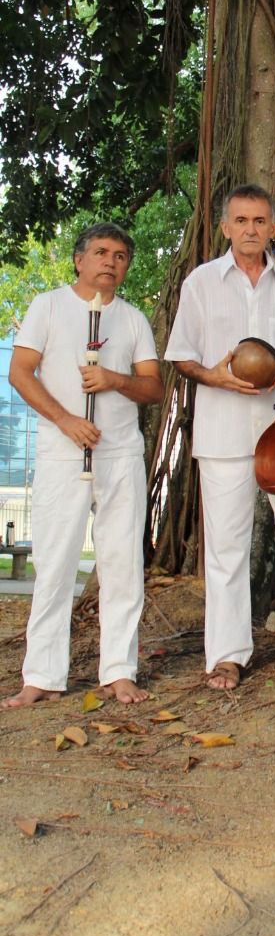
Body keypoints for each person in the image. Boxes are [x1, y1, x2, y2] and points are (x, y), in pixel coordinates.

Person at [165, 184, 275, 688]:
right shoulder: (201, 282)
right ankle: (228, 653)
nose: (251, 230)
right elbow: (181, 354)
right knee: (226, 547)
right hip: (223, 429)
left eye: (260, 221)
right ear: (225, 227)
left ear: (274, 227)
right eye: (241, 221)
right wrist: (215, 377)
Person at [2, 224, 163, 710]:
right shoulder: (48, 307)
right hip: (62, 452)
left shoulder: (132, 320)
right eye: (100, 253)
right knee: (54, 563)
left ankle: (118, 670)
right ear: (79, 260)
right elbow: (19, 372)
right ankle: (43, 675)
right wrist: (67, 420)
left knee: (122, 564)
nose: (109, 262)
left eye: (119, 255)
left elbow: (152, 388)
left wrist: (113, 379)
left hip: (120, 456)